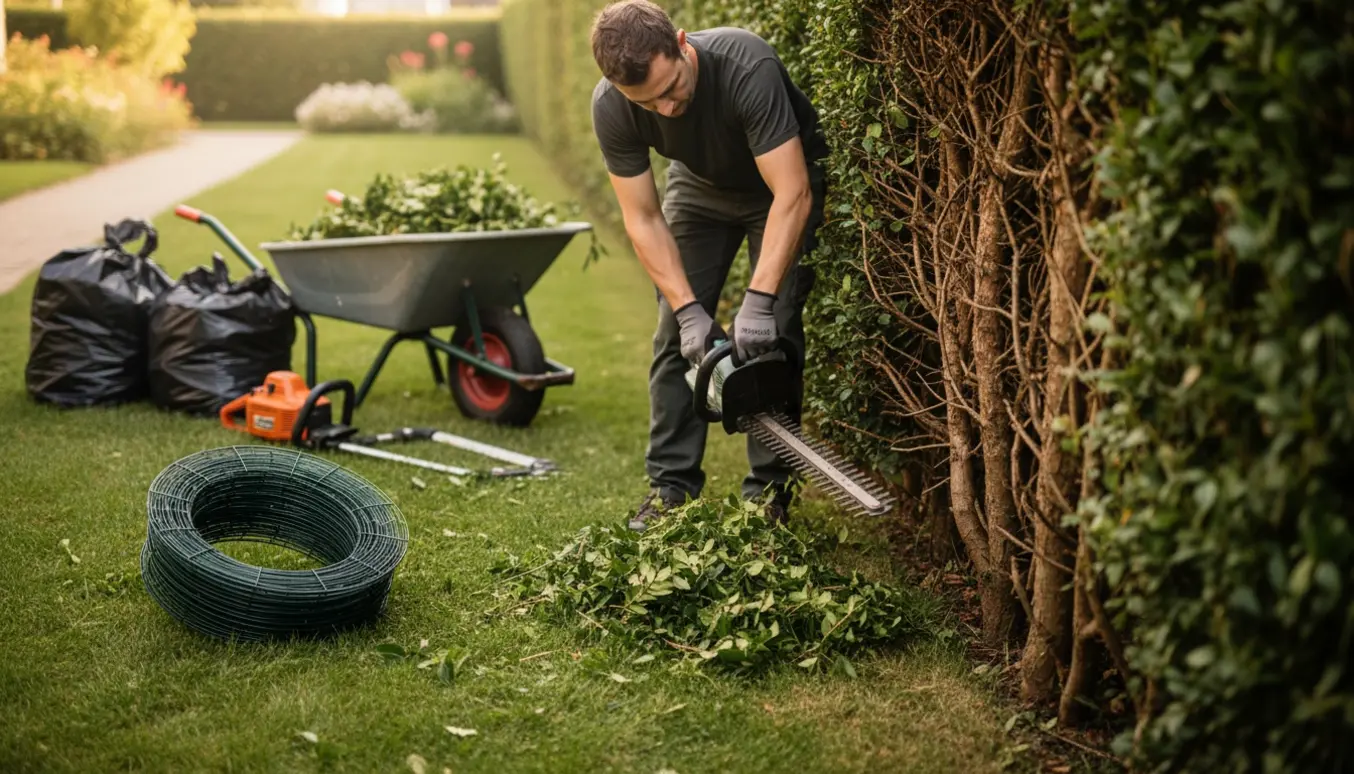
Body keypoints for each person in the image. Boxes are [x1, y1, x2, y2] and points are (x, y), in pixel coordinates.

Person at [589, 0, 829, 530]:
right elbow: (644, 218)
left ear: (681, 42)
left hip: (778, 189)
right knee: (676, 334)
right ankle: (671, 486)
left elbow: (792, 193)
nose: (667, 109)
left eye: (671, 89)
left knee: (778, 329)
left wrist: (759, 300)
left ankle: (770, 495)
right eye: (648, 104)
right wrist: (689, 311)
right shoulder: (612, 105)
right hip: (698, 190)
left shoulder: (746, 66)